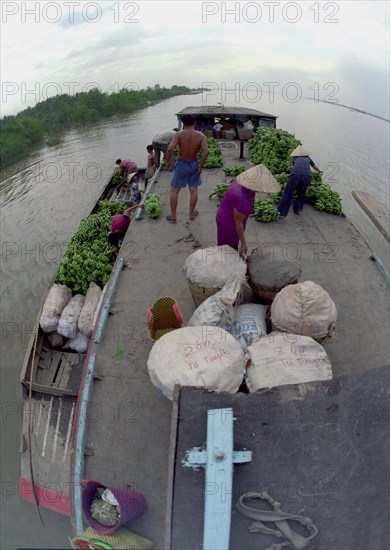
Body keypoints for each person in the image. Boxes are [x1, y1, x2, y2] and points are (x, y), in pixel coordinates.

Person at [165, 114, 208, 223]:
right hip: (194, 163)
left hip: (181, 164)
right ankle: (191, 215)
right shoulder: (201, 136)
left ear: (183, 124)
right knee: (193, 190)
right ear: (195, 123)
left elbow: (170, 149)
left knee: (175, 190)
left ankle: (174, 216)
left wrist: (168, 162)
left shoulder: (179, 134)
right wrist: (201, 166)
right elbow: (206, 152)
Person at [216, 165, 263, 257]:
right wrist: (243, 243)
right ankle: (226, 265)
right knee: (228, 250)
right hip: (229, 224)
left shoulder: (239, 181)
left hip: (224, 215)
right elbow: (238, 223)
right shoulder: (242, 198)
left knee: (223, 246)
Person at [277, 145, 322, 217]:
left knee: (288, 193)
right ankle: (297, 210)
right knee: (301, 193)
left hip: (295, 175)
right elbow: (314, 166)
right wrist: (319, 171)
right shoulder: (308, 158)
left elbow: (295, 167)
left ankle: (282, 212)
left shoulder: (294, 159)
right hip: (307, 176)